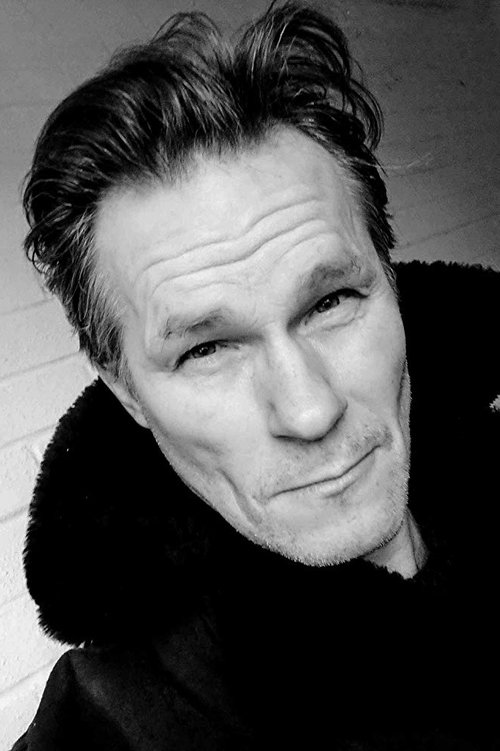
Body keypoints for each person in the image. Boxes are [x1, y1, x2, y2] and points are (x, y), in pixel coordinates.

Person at [13, 2, 499, 749]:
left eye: (331, 301)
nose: (310, 410)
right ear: (128, 392)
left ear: (392, 284)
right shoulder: (114, 725)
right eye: (206, 350)